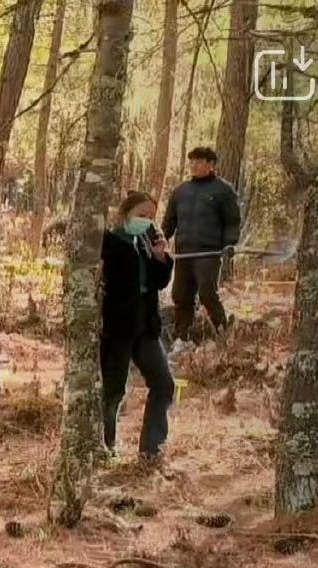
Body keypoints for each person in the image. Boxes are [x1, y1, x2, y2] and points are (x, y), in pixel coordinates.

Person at [100, 192, 176, 462]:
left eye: (151, 217)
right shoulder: (108, 242)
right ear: (126, 213)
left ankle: (151, 450)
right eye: (142, 215)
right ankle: (105, 448)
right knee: (112, 392)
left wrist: (161, 258)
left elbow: (158, 282)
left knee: (164, 384)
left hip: (146, 327)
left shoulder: (146, 243)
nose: (147, 221)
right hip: (116, 328)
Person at [161, 146, 242, 342]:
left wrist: (229, 244)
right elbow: (169, 222)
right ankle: (182, 337)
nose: (193, 165)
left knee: (207, 293)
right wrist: (160, 240)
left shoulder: (223, 190)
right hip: (183, 252)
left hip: (209, 253)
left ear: (211, 164)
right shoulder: (180, 191)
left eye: (198, 161)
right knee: (181, 295)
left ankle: (222, 331)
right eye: (192, 161)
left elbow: (232, 221)